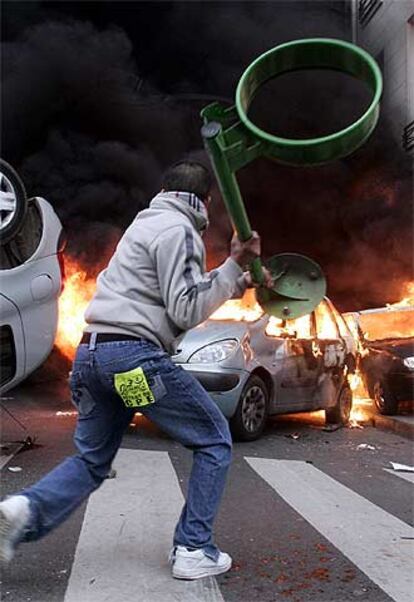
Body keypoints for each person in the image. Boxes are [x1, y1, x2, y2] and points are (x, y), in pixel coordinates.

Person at [0, 160, 272, 580]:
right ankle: (193, 548)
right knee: (215, 441)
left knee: (92, 461)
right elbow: (185, 309)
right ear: (205, 201)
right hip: (131, 362)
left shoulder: (144, 226)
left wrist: (234, 276)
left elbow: (177, 293)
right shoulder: (181, 230)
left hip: (92, 358)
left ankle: (22, 511)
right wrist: (235, 266)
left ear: (165, 190)